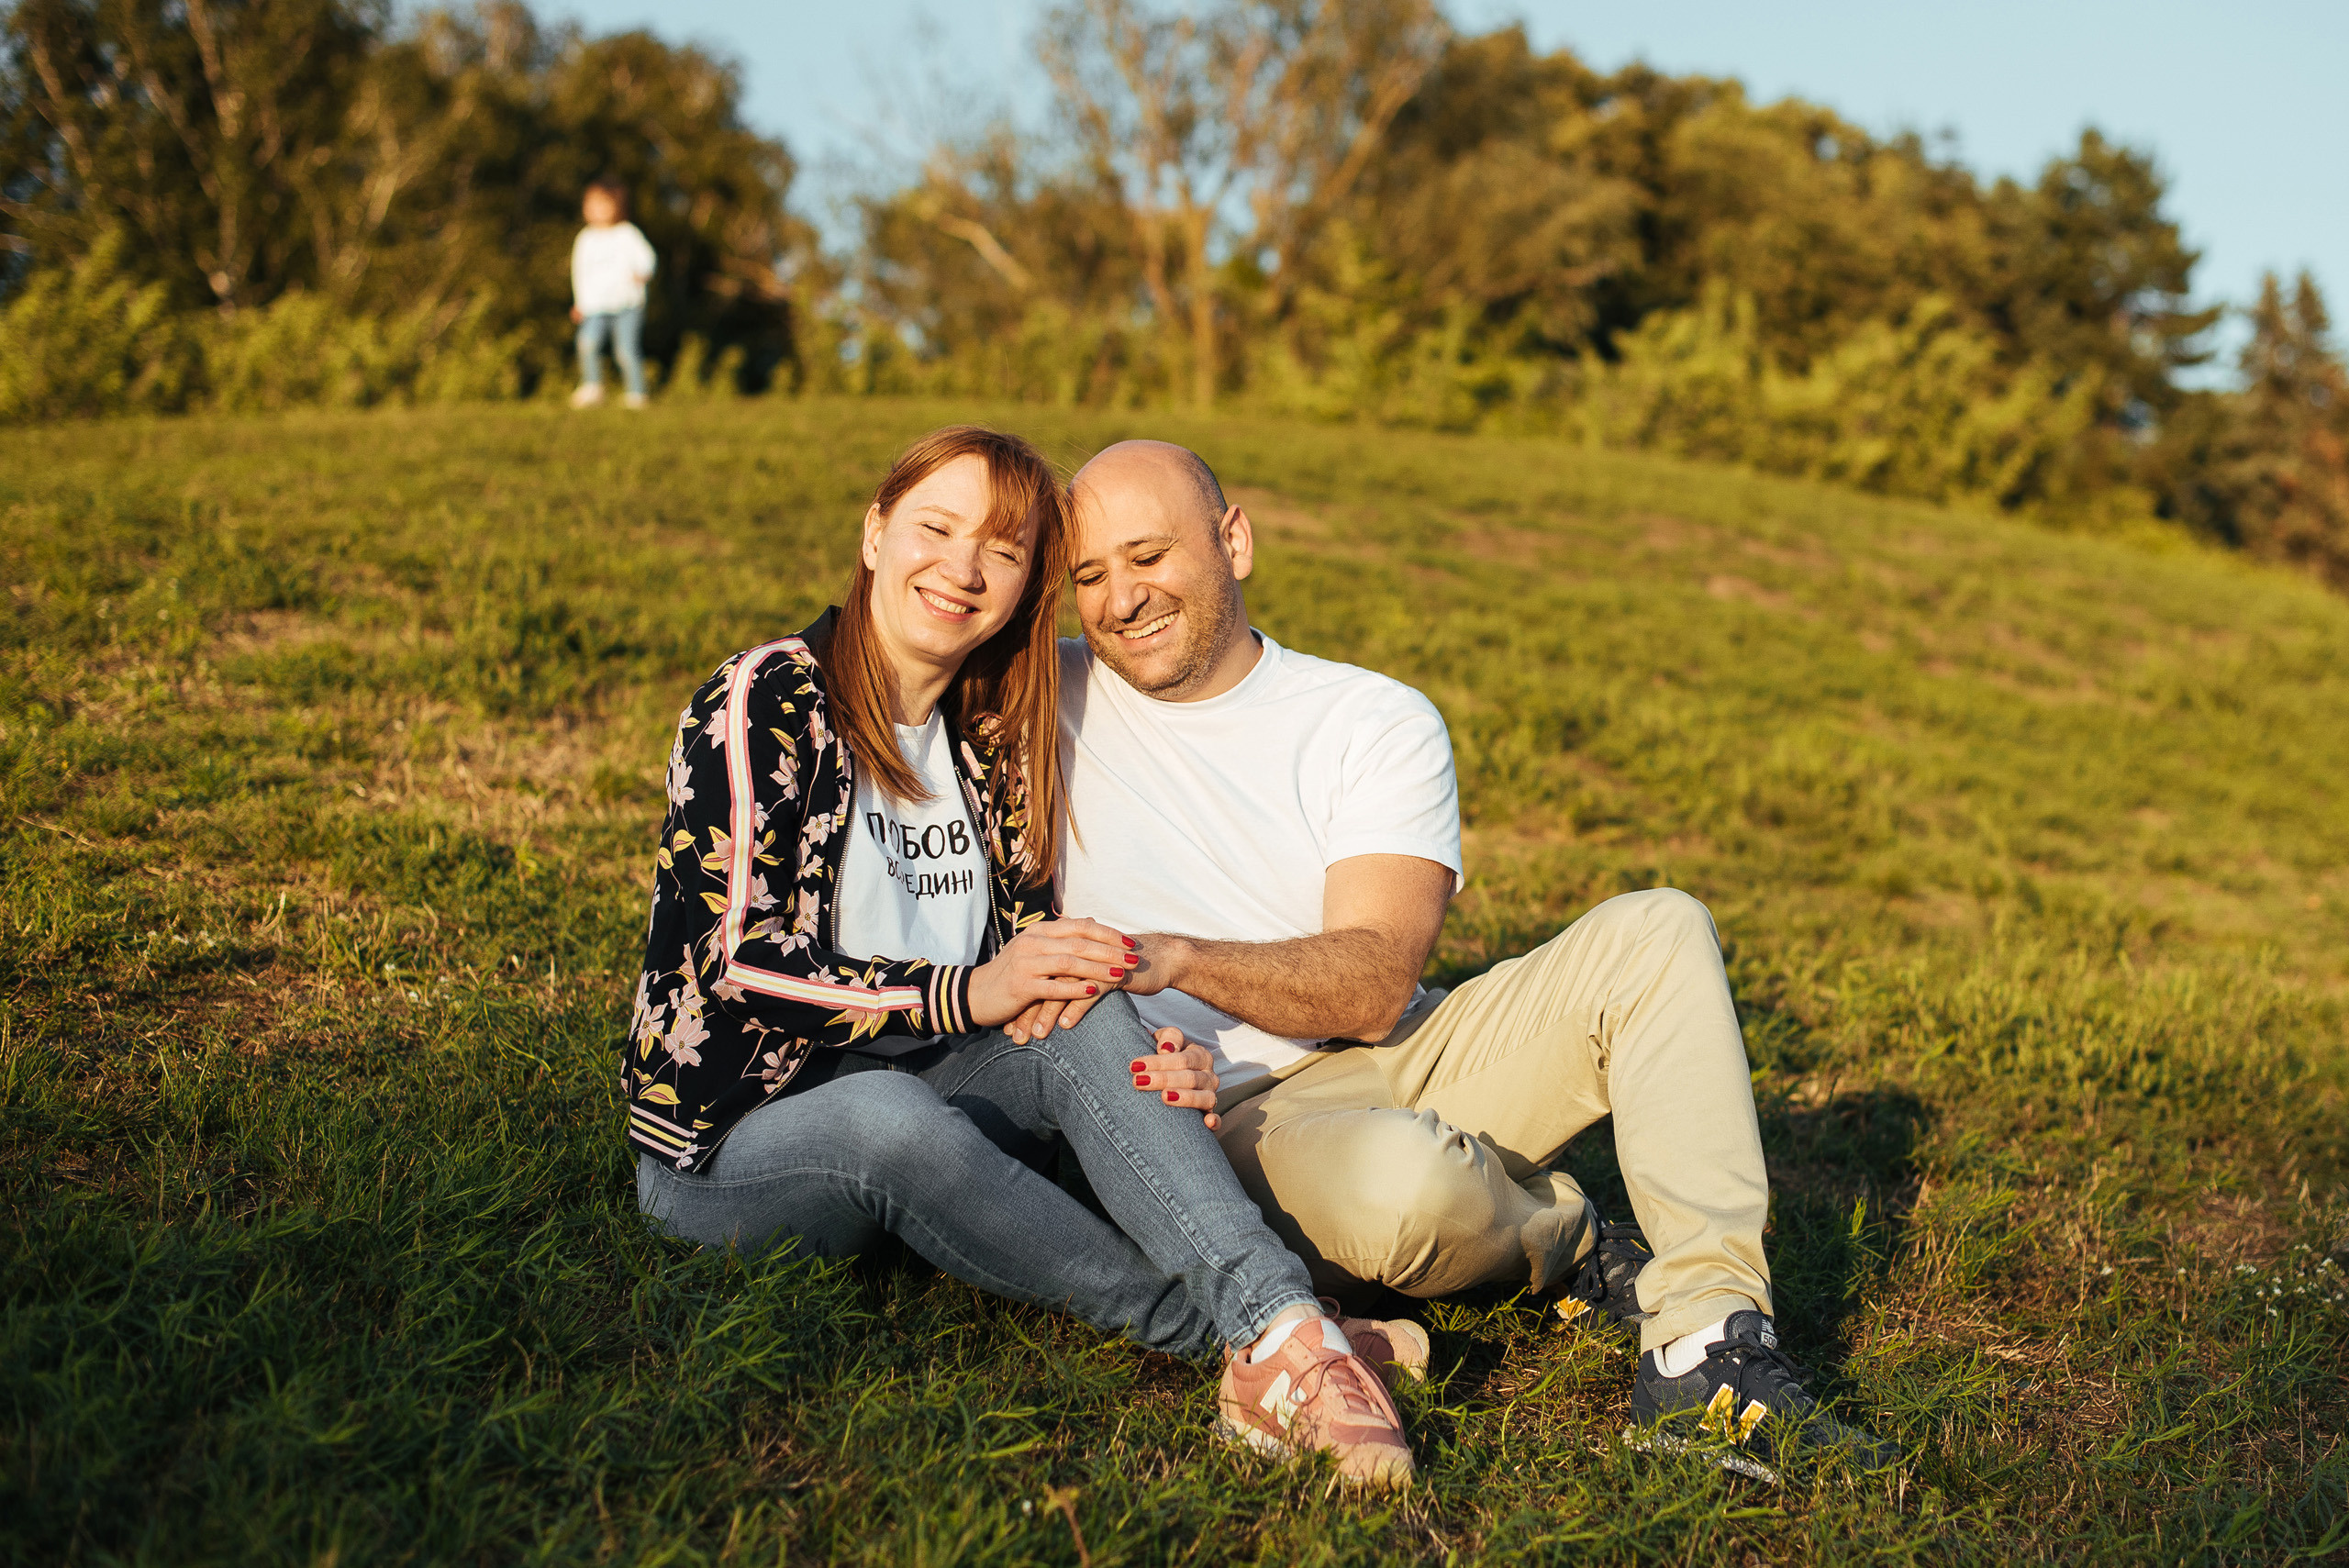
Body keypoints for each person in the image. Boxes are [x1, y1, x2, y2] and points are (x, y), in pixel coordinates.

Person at [1014, 438, 1898, 1480]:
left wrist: (1174, 953)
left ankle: (1703, 1345)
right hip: (1232, 1108)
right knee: (1404, 1193)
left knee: (1658, 927)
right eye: (1089, 575)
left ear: (1234, 539)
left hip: (1403, 1037)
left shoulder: (1369, 716)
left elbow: (1376, 979)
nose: (1121, 598)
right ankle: (1565, 1233)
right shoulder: (1041, 698)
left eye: (1149, 555)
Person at [621, 426, 1418, 1487]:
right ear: (873, 533)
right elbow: (737, 965)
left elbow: (1025, 956)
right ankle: (1242, 1335)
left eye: (1000, 549)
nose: (960, 569)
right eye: (934, 529)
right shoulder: (767, 698)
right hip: (733, 1147)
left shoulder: (987, 732)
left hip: (940, 1087)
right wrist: (964, 992)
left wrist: (1146, 1040)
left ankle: (1274, 1327)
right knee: (886, 1116)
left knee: (1080, 990)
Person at [568, 179, 655, 410]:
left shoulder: (627, 234)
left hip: (628, 303)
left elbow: (648, 258)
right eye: (591, 204)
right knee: (587, 342)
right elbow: (579, 273)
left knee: (625, 350)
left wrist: (643, 273)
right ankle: (592, 386)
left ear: (617, 206)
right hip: (594, 305)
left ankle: (636, 393)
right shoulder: (585, 238)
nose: (595, 209)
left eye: (602, 204)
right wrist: (579, 302)